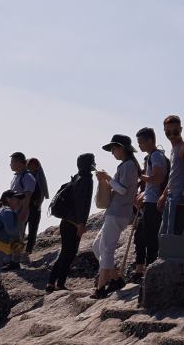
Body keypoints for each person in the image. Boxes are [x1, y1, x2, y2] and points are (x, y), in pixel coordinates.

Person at [92, 134, 140, 298]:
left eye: (114, 148)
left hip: (118, 212)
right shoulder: (127, 165)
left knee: (106, 249)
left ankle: (101, 287)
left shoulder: (128, 166)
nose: (112, 152)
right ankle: (115, 278)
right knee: (97, 246)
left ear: (121, 148)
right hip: (116, 212)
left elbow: (122, 190)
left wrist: (107, 178)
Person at [46, 153, 95, 291]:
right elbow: (81, 204)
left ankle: (52, 283)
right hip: (74, 223)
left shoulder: (76, 177)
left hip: (67, 221)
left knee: (65, 253)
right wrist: (81, 224)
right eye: (92, 162)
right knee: (69, 253)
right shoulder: (86, 179)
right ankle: (59, 284)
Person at [133, 127, 168, 281]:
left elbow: (158, 178)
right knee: (141, 235)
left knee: (151, 238)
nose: (139, 145)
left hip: (154, 203)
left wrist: (142, 177)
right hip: (149, 200)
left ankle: (150, 271)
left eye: (140, 142)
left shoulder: (156, 156)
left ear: (150, 140)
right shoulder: (154, 156)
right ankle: (140, 271)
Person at [3, 152, 37, 271]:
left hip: (20, 211)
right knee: (11, 235)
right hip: (12, 211)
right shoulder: (17, 176)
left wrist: (24, 211)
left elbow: (28, 195)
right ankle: (10, 259)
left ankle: (15, 261)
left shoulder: (27, 177)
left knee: (18, 236)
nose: (10, 164)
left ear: (19, 162)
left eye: (12, 162)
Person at [25, 157, 48, 254]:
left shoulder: (39, 177)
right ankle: (17, 251)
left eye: (35, 164)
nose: (33, 166)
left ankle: (29, 250)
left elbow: (42, 192)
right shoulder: (25, 177)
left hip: (35, 207)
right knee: (20, 231)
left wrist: (39, 203)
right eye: (31, 164)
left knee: (33, 230)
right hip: (25, 206)